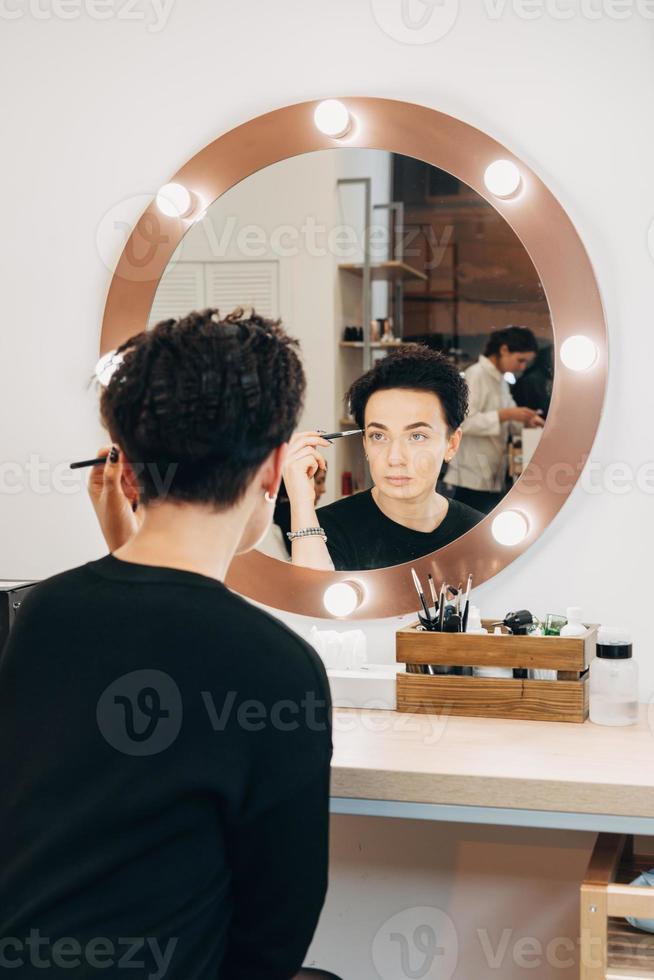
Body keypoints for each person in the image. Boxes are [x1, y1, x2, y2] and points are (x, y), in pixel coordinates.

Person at [0, 309, 333, 980]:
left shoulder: (40, 613)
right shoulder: (277, 666)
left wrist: (123, 550)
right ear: (273, 469)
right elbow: (278, 926)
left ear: (125, 471)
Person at [283, 344, 484, 571]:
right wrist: (300, 502)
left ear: (452, 444)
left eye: (417, 436)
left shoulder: (478, 532)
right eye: (378, 436)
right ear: (365, 443)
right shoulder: (325, 529)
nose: (395, 458)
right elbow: (308, 601)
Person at [442, 326, 545, 514]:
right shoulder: (477, 374)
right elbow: (463, 422)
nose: (522, 367)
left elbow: (510, 418)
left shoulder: (501, 380)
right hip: (470, 475)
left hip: (491, 473)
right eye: (520, 360)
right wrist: (505, 415)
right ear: (504, 350)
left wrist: (525, 420)